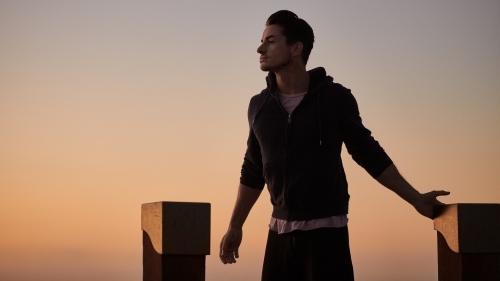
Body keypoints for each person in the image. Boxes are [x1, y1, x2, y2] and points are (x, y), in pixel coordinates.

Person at [219, 10, 449, 281]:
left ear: (296, 48)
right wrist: (235, 226)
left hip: (326, 237)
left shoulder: (334, 98)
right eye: (262, 40)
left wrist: (416, 199)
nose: (260, 48)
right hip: (278, 236)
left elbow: (368, 153)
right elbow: (253, 169)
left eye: (270, 41)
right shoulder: (259, 106)